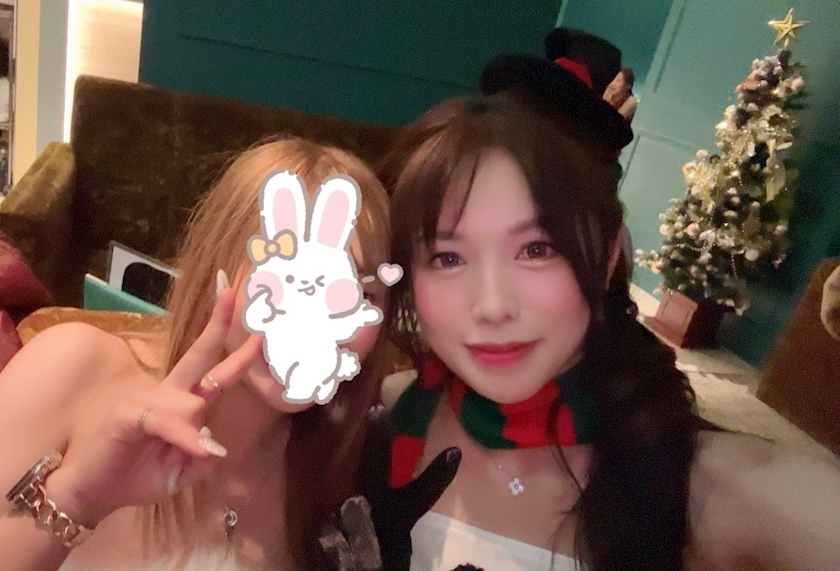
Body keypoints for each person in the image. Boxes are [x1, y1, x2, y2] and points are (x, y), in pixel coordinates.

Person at [365, 91, 840, 569]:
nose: (492, 306)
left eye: (537, 250)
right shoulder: (385, 416)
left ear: (608, 255)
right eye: (447, 258)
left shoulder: (707, 485)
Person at [0, 136, 395, 571]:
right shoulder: (73, 365)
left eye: (359, 293)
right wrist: (76, 499)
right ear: (216, 267)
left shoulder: (335, 472)